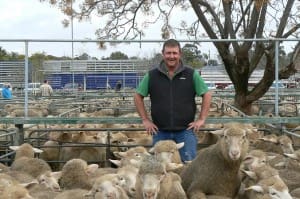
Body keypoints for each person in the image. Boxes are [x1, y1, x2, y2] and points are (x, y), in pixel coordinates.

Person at [134, 39, 212, 162]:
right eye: (168, 53)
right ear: (163, 54)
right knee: (160, 166)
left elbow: (206, 94)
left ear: (179, 54)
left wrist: (201, 119)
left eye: (174, 53)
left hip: (185, 131)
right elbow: (138, 95)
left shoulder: (191, 74)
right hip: (160, 131)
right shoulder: (152, 75)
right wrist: (145, 119)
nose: (171, 56)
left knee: (188, 165)